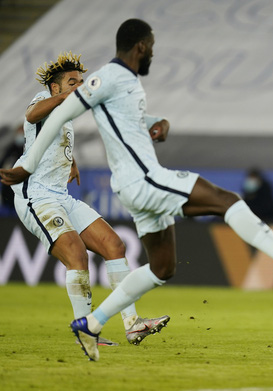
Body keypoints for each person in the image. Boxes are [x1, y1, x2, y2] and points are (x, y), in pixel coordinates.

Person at [0, 19, 273, 361]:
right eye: (152, 46)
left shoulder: (125, 84)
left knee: (159, 266)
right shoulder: (102, 79)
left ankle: (94, 324)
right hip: (130, 181)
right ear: (141, 47)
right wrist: (27, 164)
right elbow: (47, 115)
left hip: (108, 189)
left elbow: (125, 120)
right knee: (224, 200)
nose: (79, 86)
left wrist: (158, 123)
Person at [9, 51, 168, 346]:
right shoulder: (41, 98)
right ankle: (86, 333)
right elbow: (32, 115)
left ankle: (132, 324)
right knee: (77, 256)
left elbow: (51, 140)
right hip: (37, 196)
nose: (79, 87)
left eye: (82, 82)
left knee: (114, 245)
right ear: (54, 88)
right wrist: (68, 97)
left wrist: (70, 162)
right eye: (72, 82)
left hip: (61, 195)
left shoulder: (65, 116)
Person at [0, 124, 24, 215]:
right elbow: (2, 164)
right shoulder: (11, 148)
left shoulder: (29, 150)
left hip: (22, 188)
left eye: (22, 133)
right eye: (19, 132)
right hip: (8, 187)